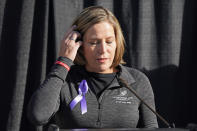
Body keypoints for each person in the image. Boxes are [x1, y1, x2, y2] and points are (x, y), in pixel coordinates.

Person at [27, 6, 158, 129]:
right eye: (94, 42)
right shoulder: (64, 78)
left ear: (117, 42)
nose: (103, 50)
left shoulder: (137, 81)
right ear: (79, 44)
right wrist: (63, 61)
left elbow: (152, 128)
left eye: (109, 41)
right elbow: (38, 116)